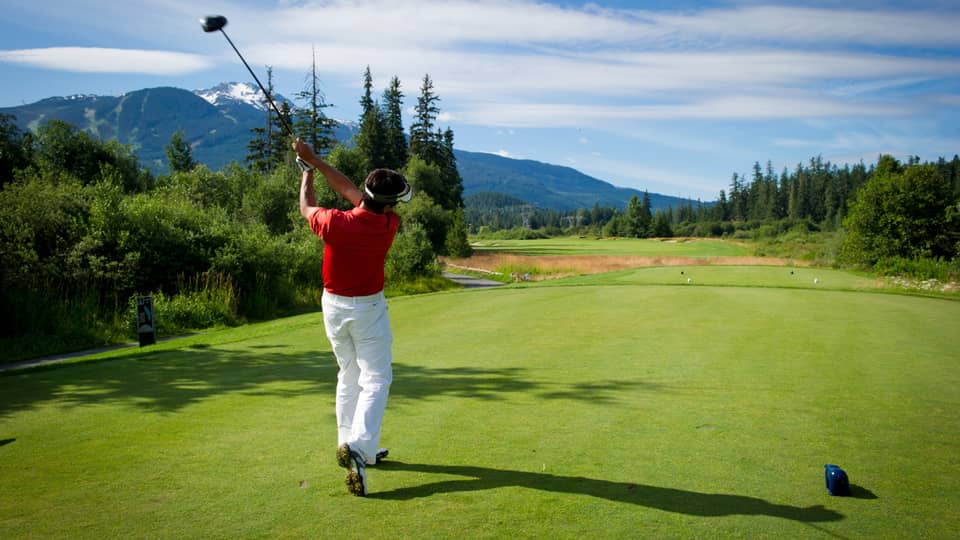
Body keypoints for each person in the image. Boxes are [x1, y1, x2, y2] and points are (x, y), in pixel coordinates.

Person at [293, 138, 412, 497]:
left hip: (333, 306)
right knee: (376, 379)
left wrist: (308, 171)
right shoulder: (389, 223)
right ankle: (359, 449)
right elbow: (351, 192)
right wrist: (314, 161)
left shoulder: (334, 223)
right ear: (390, 203)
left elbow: (306, 207)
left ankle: (352, 445)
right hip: (369, 309)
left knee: (349, 374)